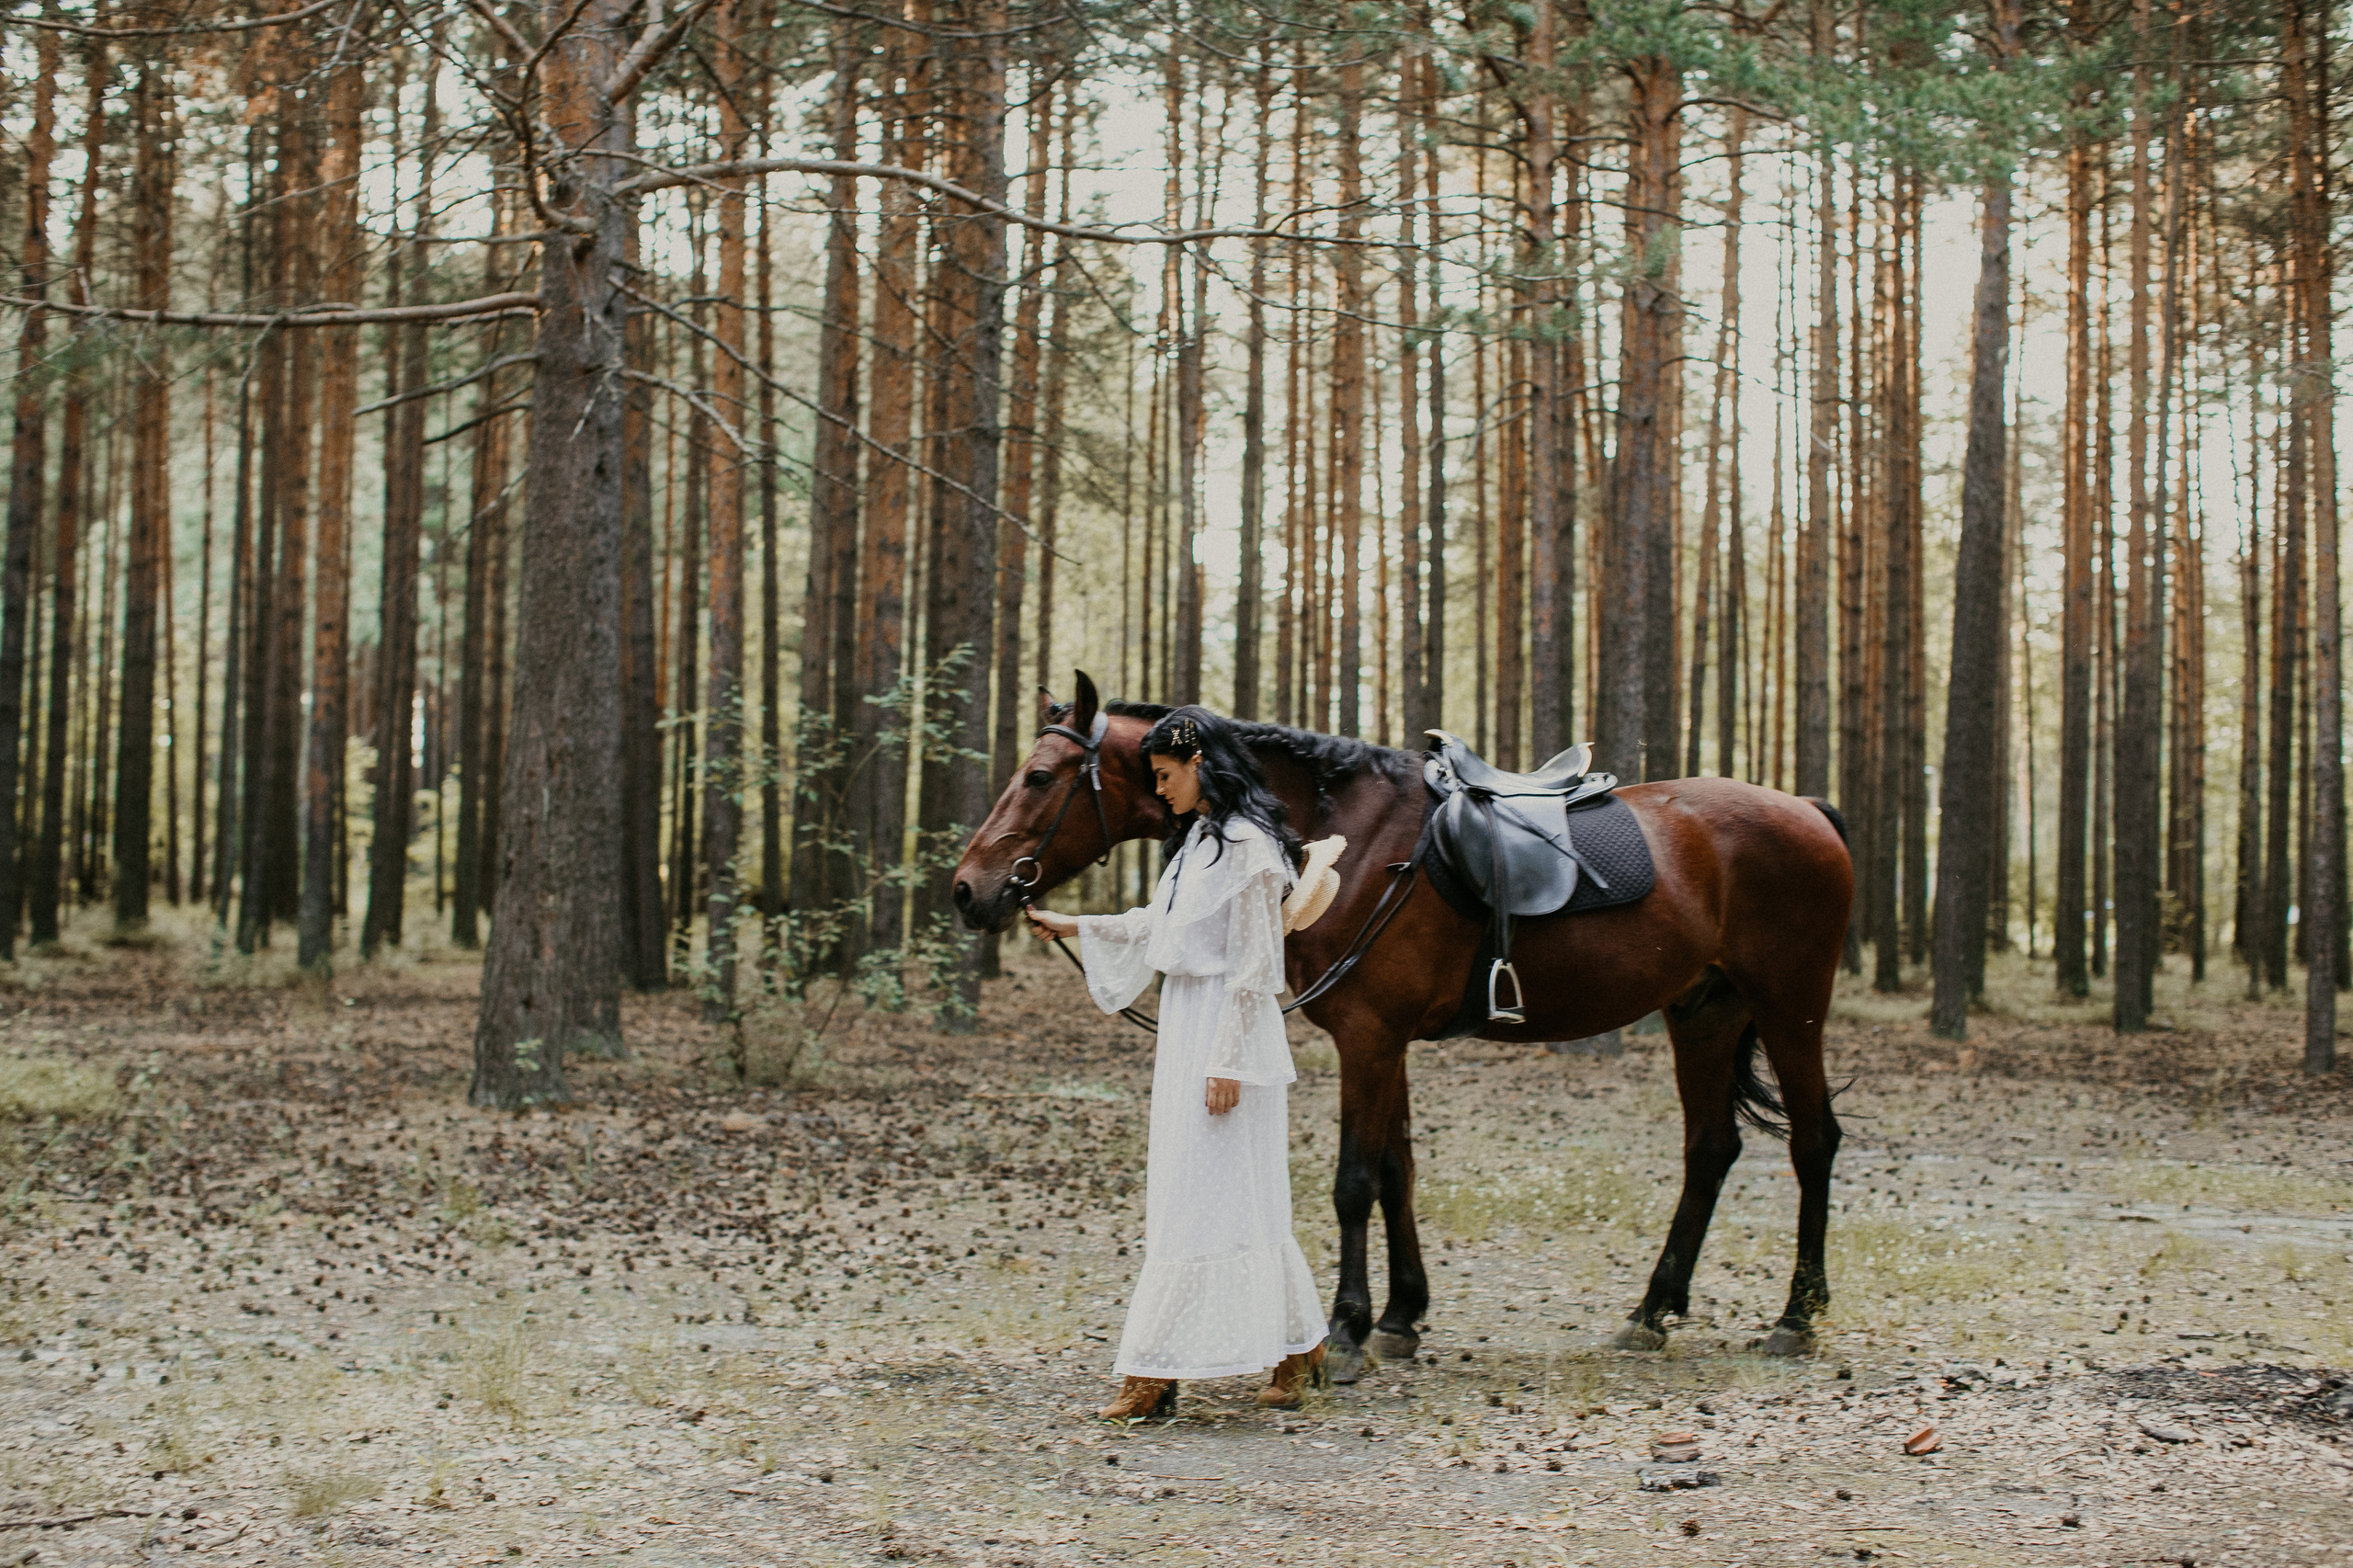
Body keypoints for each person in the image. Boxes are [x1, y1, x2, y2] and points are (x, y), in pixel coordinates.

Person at [1024, 706, 1327, 1419]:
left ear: (1200, 765)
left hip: (1228, 1033)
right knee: (1199, 1191)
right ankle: (1297, 1346)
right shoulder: (1198, 843)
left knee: (1218, 1193)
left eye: (1165, 776)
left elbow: (1256, 964)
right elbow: (1158, 926)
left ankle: (1155, 1372)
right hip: (1188, 1024)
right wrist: (1075, 924)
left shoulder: (1251, 848)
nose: (1159, 791)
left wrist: (1228, 1061)